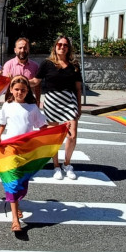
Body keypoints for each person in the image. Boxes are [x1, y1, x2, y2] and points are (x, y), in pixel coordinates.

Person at [0, 75, 47, 231]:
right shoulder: (7, 106)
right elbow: (2, 124)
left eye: (23, 90)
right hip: (10, 149)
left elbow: (42, 127)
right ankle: (15, 220)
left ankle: (16, 204)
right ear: (11, 90)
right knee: (13, 181)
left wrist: (58, 132)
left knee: (22, 182)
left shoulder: (32, 108)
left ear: (27, 91)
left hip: (27, 150)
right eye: (16, 89)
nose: (19, 92)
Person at [32, 35, 82, 181]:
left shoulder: (74, 65)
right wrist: (18, 80)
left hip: (69, 101)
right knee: (54, 136)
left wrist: (79, 107)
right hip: (52, 102)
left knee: (71, 135)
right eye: (59, 44)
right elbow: (36, 81)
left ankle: (67, 164)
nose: (62, 47)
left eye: (65, 45)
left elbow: (78, 89)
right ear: (55, 46)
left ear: (68, 48)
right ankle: (56, 166)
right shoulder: (47, 63)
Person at [2, 36, 41, 103]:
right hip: (12, 102)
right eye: (20, 48)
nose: (22, 50)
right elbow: (5, 87)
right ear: (15, 50)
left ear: (28, 49)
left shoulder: (35, 66)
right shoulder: (8, 65)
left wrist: (38, 101)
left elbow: (37, 87)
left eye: (25, 48)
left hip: (29, 103)